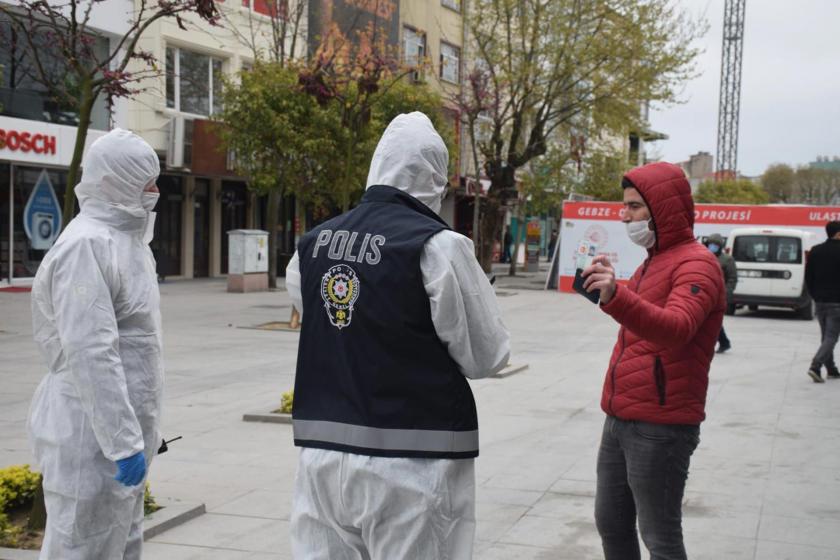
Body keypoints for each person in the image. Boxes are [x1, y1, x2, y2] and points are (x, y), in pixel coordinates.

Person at [285, 112, 510, 559]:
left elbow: (326, 318)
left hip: (323, 458)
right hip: (414, 461)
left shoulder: (311, 244)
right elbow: (487, 356)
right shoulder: (438, 246)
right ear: (435, 179)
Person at [28, 129, 164, 559]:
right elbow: (91, 355)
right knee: (80, 546)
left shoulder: (131, 244)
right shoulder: (86, 245)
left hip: (120, 439)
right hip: (89, 440)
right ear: (117, 180)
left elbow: (138, 349)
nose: (156, 191)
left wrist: (138, 436)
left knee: (120, 545)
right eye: (147, 181)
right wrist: (124, 444)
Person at [582, 162, 725, 560]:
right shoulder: (652, 262)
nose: (624, 215)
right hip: (621, 416)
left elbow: (677, 327)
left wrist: (618, 297)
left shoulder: (697, 264)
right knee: (611, 523)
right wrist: (617, 287)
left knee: (660, 537)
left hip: (662, 426)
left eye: (633, 207)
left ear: (661, 210)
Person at [805, 220, 840, 383]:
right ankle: (815, 366)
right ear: (838, 234)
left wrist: (815, 295)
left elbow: (808, 277)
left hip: (820, 302)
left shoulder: (815, 251)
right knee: (831, 337)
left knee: (826, 336)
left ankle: (831, 369)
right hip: (836, 302)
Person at [706, 233, 737, 353]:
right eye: (710, 244)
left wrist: (726, 294)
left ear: (720, 246)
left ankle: (724, 342)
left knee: (714, 320)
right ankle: (724, 342)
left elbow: (732, 278)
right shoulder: (704, 256)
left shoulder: (727, 260)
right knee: (709, 320)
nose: (712, 246)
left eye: (715, 245)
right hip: (706, 294)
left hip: (719, 295)